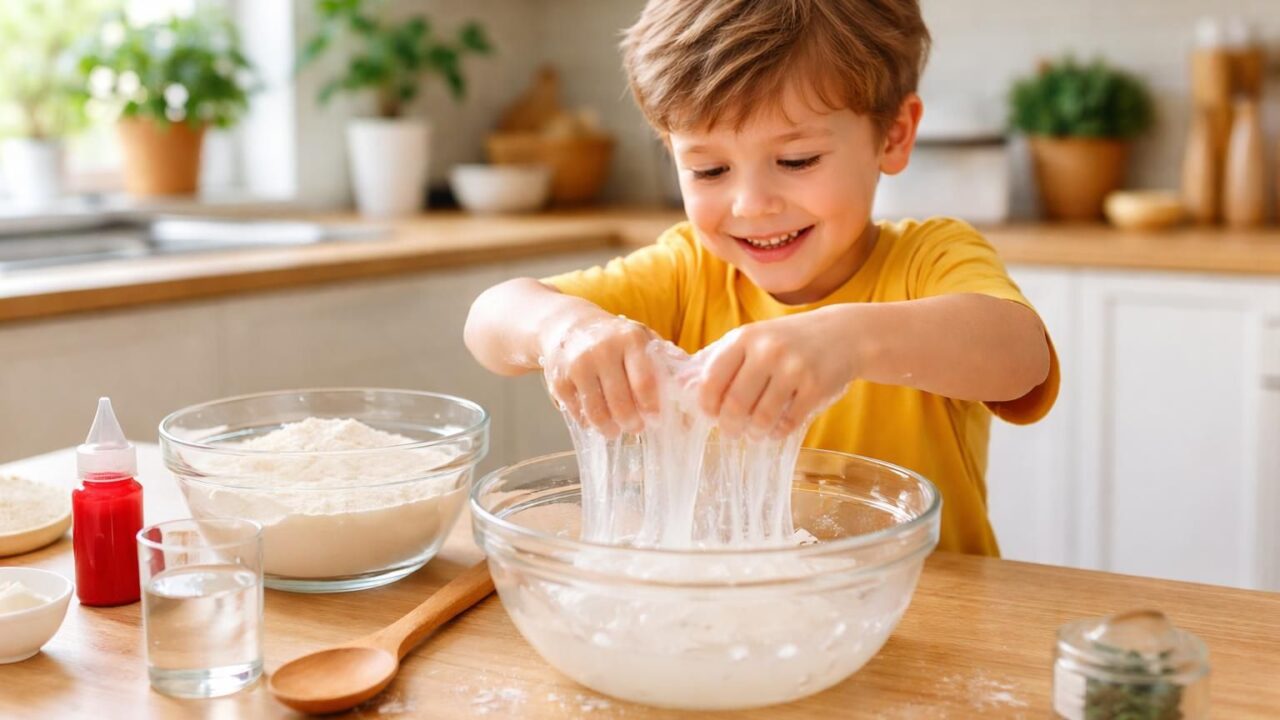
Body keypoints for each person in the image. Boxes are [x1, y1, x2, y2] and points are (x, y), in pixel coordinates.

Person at [464, 0, 1058, 555]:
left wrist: (845, 343)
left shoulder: (929, 260)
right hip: (729, 617)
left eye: (796, 161)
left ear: (894, 135)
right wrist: (561, 329)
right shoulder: (686, 271)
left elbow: (1019, 357)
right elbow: (491, 317)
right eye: (709, 168)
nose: (751, 204)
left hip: (925, 617)